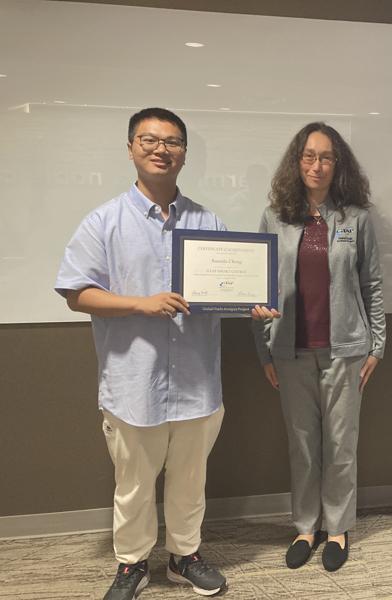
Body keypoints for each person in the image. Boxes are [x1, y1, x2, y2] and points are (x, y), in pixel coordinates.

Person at [55, 107, 277, 600]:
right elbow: (76, 293)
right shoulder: (103, 222)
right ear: (131, 148)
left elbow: (227, 286)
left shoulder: (207, 222)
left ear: (184, 153)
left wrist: (252, 303)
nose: (161, 149)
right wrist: (141, 303)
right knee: (133, 485)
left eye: (172, 141)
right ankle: (132, 565)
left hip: (197, 383)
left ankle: (184, 557)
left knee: (190, 481)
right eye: (149, 140)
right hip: (134, 383)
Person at [252, 122, 386, 572]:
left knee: (341, 445)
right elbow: (259, 289)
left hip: (346, 350)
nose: (316, 165)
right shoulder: (275, 217)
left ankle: (338, 528)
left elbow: (372, 285)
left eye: (326, 156)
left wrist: (377, 345)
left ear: (337, 163)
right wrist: (265, 351)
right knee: (303, 445)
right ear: (297, 161)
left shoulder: (356, 218)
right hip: (290, 350)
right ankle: (305, 528)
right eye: (308, 156)